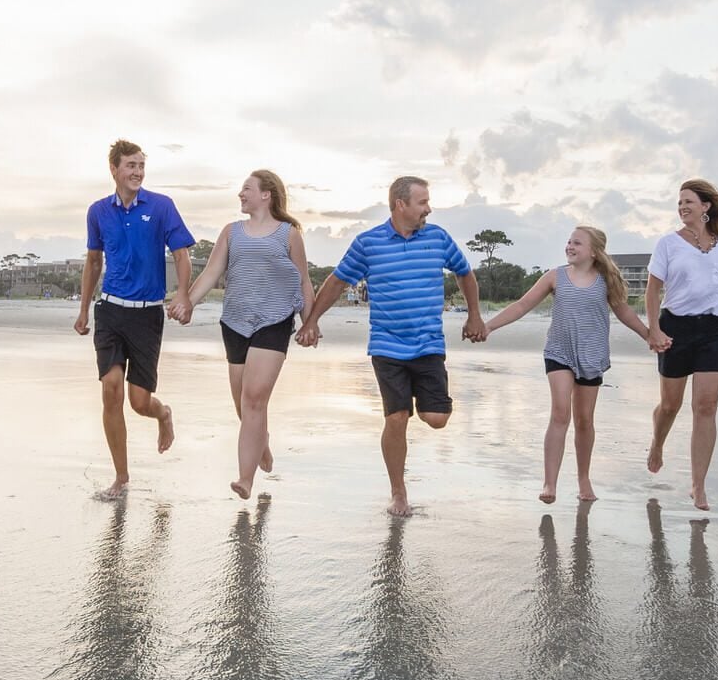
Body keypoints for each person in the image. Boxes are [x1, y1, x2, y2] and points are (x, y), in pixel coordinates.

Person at [295, 176, 485, 517]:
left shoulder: (438, 237)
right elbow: (338, 282)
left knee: (436, 418)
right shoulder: (369, 243)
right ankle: (399, 494)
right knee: (396, 418)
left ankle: (426, 400)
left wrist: (474, 316)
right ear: (401, 204)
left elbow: (464, 273)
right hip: (387, 345)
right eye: (422, 202)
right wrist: (311, 322)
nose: (429, 208)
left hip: (428, 343)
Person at [171, 170, 315, 500]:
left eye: (246, 189)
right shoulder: (231, 232)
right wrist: (188, 303)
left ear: (267, 195)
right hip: (235, 322)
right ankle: (260, 445)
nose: (240, 194)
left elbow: (304, 280)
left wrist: (309, 322)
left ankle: (245, 479)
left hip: (273, 321)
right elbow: (212, 272)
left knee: (253, 399)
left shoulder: (288, 234)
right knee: (242, 405)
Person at [484, 226, 652, 504]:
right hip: (559, 352)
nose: (570, 246)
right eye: (569, 242)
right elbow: (522, 305)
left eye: (577, 243)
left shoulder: (604, 281)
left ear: (594, 251)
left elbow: (624, 311)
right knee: (561, 413)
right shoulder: (555, 276)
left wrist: (648, 334)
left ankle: (583, 479)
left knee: (584, 420)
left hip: (591, 355)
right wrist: (489, 326)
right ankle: (549, 484)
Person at [74, 138, 196, 499]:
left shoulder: (161, 207)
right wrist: (83, 309)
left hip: (147, 315)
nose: (138, 172)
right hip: (110, 310)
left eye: (141, 166)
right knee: (110, 390)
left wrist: (183, 294)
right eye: (131, 166)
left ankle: (163, 415)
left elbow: (182, 255)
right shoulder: (98, 211)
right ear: (114, 169)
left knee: (139, 402)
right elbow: (94, 261)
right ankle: (121, 478)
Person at [644, 179, 718, 511]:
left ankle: (698, 485)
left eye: (688, 202)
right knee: (670, 405)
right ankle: (657, 444)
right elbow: (653, 290)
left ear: (706, 207)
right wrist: (654, 329)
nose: (682, 207)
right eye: (679, 203)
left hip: (715, 328)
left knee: (706, 407)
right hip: (675, 327)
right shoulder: (668, 244)